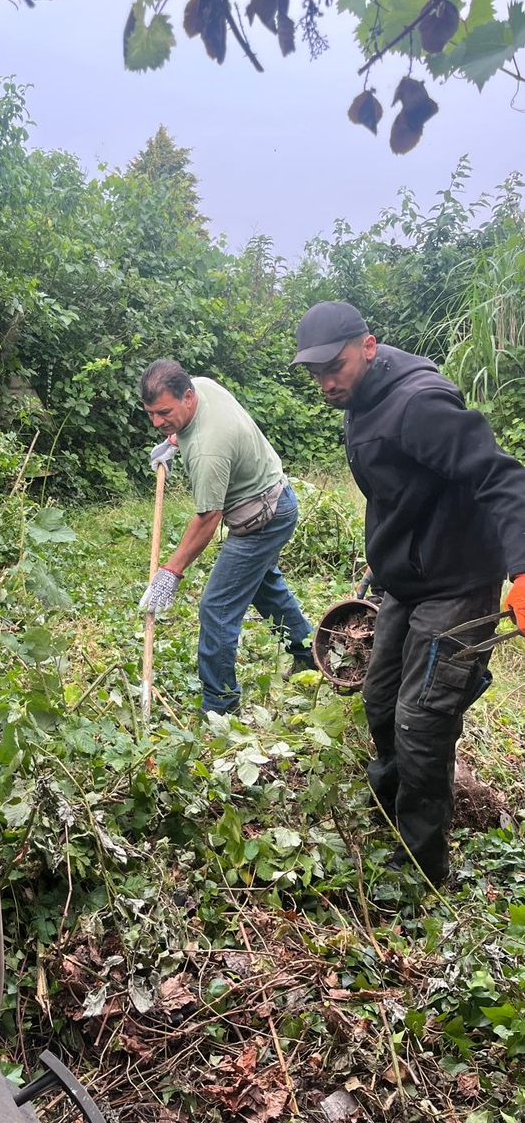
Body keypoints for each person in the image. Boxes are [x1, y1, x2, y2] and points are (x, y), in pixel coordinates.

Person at [292, 300, 525, 886]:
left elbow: (502, 477)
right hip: (407, 581)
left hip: (455, 582)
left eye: (335, 367)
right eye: (315, 372)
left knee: (421, 722)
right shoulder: (360, 394)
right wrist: (384, 559)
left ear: (368, 347)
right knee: (379, 699)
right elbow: (400, 492)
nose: (325, 382)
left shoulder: (418, 405)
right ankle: (398, 814)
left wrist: (523, 570)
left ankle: (421, 869)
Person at [138, 359, 314, 715]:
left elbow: (207, 519)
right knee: (267, 590)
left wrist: (170, 572)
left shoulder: (207, 449)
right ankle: (311, 654)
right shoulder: (201, 386)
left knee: (216, 607)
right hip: (278, 495)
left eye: (164, 413)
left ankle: (220, 703)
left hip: (262, 518)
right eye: (151, 414)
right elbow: (192, 428)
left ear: (187, 396)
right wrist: (176, 438)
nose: (157, 422)